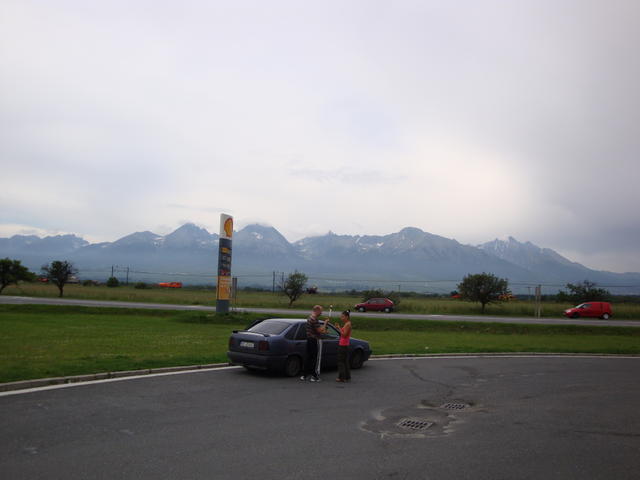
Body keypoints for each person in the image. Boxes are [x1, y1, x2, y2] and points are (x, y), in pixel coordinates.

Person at [301, 305, 326, 382]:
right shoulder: (314, 319)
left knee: (308, 357)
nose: (321, 313)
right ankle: (314, 376)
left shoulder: (309, 317)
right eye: (321, 311)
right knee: (316, 358)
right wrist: (325, 323)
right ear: (317, 310)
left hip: (309, 339)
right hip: (315, 339)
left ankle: (304, 375)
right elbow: (320, 331)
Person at [335, 310, 352, 382]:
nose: (341, 318)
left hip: (343, 345)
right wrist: (338, 328)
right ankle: (347, 376)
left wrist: (339, 328)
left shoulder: (348, 324)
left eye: (342, 316)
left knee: (341, 362)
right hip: (345, 344)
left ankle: (342, 377)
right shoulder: (347, 324)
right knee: (345, 361)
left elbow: (344, 335)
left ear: (347, 317)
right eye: (341, 316)